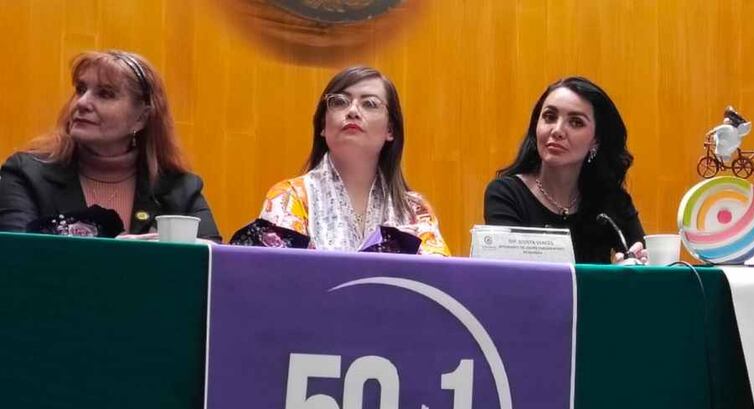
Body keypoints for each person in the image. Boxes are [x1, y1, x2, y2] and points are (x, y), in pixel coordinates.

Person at [0, 50, 220, 240]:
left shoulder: (180, 189)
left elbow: (212, 265)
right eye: (80, 89)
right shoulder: (26, 176)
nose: (82, 102)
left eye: (105, 94)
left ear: (141, 118)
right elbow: (17, 260)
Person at [257, 66, 449, 255]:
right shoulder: (289, 198)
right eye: (340, 102)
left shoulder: (414, 210)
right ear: (323, 126)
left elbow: (437, 281)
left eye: (370, 104)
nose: (353, 111)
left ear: (390, 130)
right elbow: (276, 279)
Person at [484, 76, 647, 264]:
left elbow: (644, 268)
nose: (557, 130)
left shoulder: (611, 201)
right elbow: (509, 277)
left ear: (596, 140)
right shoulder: (506, 195)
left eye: (576, 122)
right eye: (549, 117)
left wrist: (634, 269)